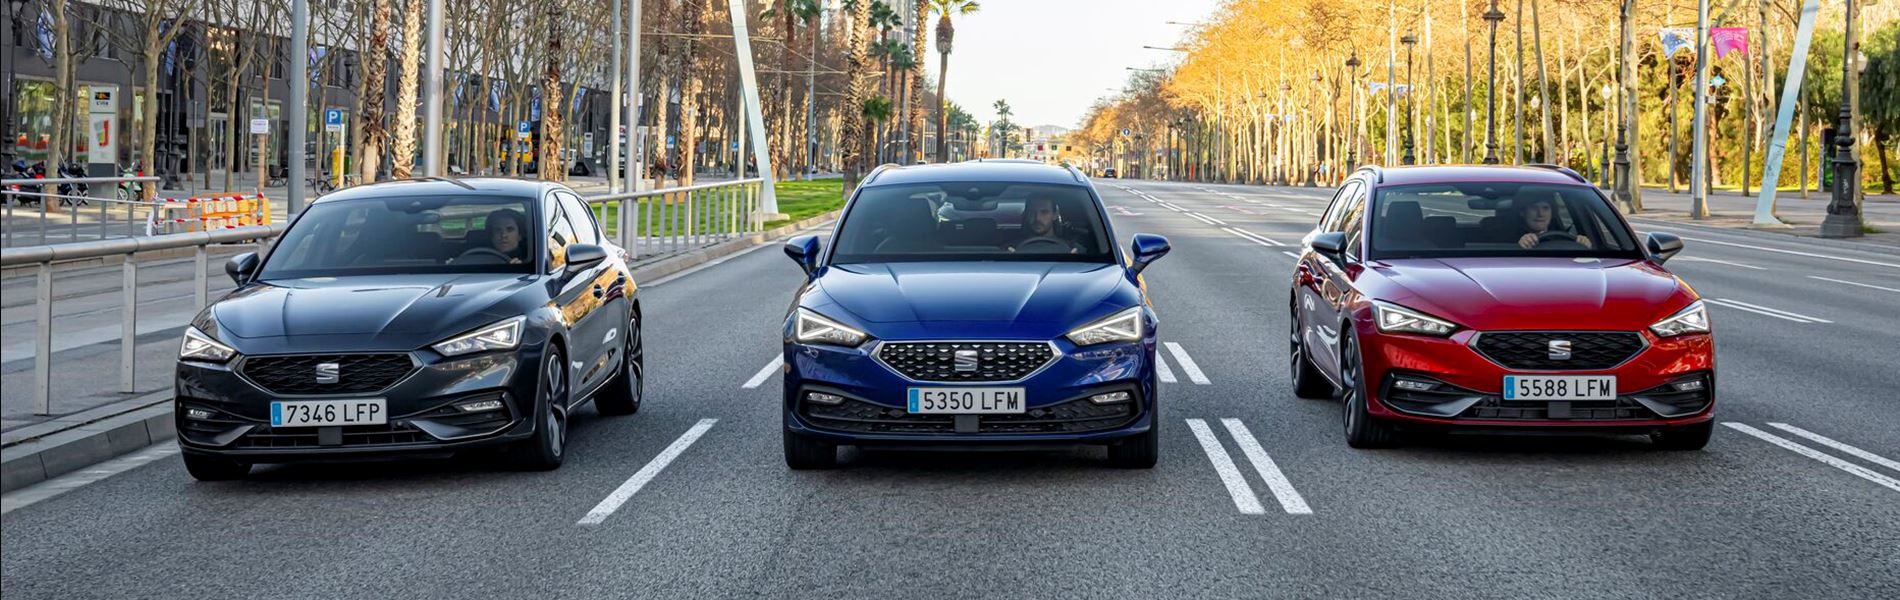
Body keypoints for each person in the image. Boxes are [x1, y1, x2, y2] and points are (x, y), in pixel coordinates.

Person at [1512, 195, 1593, 249]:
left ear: (1552, 212)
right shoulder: (1507, 239)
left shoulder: (1564, 238)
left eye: (1545, 208)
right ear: (1522, 212)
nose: (1540, 214)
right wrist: (1520, 245)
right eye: (1534, 208)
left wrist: (1583, 244)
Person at [1008, 196, 1083, 253]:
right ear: (1025, 215)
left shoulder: (1073, 250)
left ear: (1055, 215)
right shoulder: (1010, 249)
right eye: (1032, 212)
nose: (1037, 218)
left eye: (1044, 212)